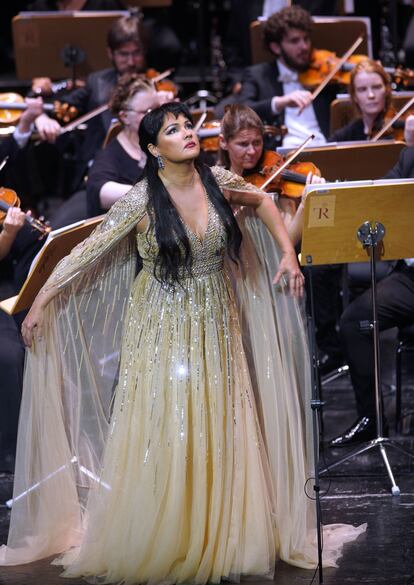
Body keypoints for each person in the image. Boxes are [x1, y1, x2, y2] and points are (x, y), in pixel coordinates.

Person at [1, 103, 364, 579]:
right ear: (153, 149)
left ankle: (222, 527)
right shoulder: (140, 200)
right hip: (160, 322)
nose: (187, 133)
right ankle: (171, 526)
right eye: (173, 129)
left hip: (216, 316)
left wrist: (287, 257)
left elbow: (265, 202)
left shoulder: (217, 179)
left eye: (188, 125)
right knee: (170, 419)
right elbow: (87, 253)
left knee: (220, 414)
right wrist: (43, 299)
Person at [329, 145, 414, 446]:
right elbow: (375, 196)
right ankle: (372, 418)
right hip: (410, 278)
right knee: (354, 320)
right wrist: (330, 190)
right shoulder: (409, 157)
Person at [33, 15, 152, 189]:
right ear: (110, 53)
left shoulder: (156, 85)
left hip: (147, 172)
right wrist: (41, 117)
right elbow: (60, 108)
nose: (131, 62)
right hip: (102, 173)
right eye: (123, 54)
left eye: (136, 53)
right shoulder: (96, 82)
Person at [219, 5, 337, 148]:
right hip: (282, 155)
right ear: (276, 47)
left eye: (306, 39)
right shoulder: (258, 74)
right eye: (294, 41)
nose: (304, 47)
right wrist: (280, 102)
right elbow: (242, 110)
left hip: (325, 147)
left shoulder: (325, 73)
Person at [329, 58, 414, 145]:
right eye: (362, 89)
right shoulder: (343, 137)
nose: (371, 95)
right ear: (354, 96)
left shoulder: (404, 126)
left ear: (387, 90)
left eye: (376, 87)